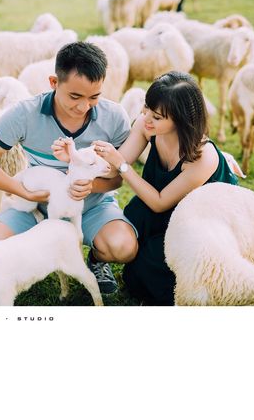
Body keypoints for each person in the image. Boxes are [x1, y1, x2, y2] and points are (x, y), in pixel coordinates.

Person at [0, 41, 139, 295]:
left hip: (91, 207)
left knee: (123, 247)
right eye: (75, 96)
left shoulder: (114, 116)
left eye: (94, 97)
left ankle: (96, 259)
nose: (83, 107)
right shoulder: (25, 113)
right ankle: (38, 246)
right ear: (54, 82)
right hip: (35, 206)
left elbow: (117, 178)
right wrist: (23, 192)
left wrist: (91, 186)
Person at [92, 71, 239, 305]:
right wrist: (84, 159)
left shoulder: (202, 155)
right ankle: (97, 259)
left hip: (199, 221)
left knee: (146, 273)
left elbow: (159, 202)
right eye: (147, 107)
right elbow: (115, 166)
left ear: (181, 119)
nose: (147, 118)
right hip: (157, 205)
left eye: (157, 116)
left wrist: (121, 165)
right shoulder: (146, 125)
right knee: (129, 224)